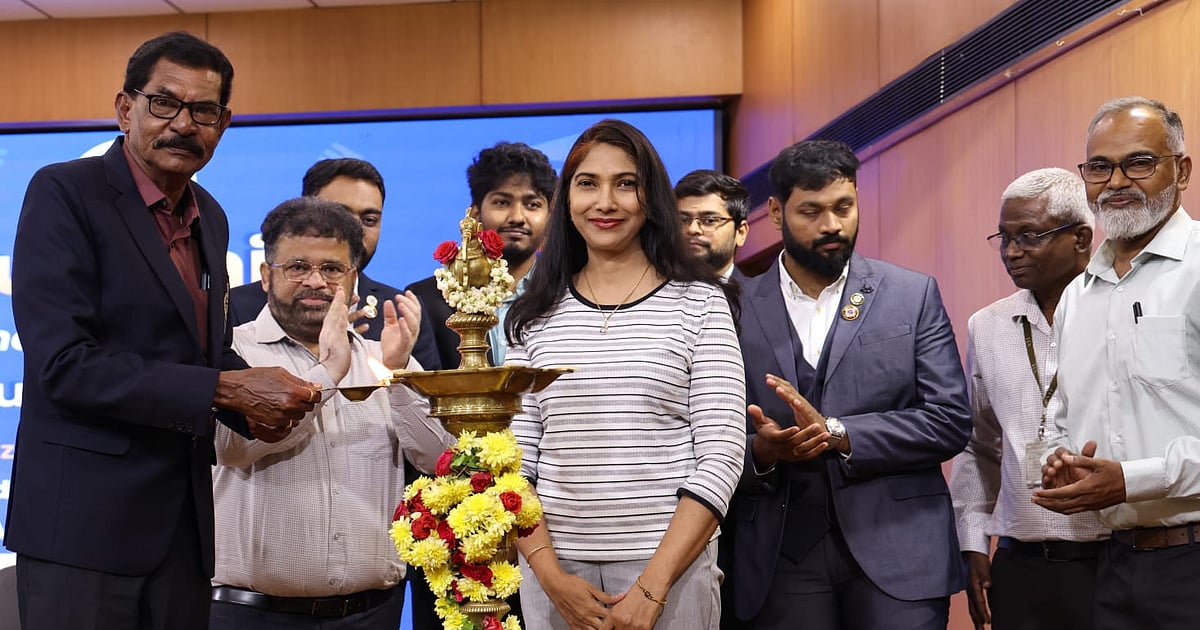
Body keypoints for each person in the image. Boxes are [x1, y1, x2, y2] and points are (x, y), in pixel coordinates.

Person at [6, 31, 318, 630]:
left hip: (183, 533)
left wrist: (274, 399)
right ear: (126, 108)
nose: (183, 124)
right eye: (164, 103)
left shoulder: (211, 215)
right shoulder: (64, 192)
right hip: (83, 531)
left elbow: (204, 354)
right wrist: (225, 390)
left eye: (203, 111)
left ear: (224, 124)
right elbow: (64, 364)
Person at [505, 119, 746, 630]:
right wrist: (550, 577)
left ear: (651, 197)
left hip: (672, 575)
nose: (605, 202)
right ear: (566, 199)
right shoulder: (531, 315)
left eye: (626, 183)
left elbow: (722, 454)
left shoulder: (701, 303)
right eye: (587, 183)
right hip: (557, 576)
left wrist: (652, 588)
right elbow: (514, 463)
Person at [730, 140, 971, 629]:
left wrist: (839, 433)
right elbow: (704, 433)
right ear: (774, 213)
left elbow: (950, 420)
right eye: (811, 211)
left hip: (900, 551)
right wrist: (762, 451)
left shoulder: (912, 295)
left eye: (843, 207)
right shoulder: (732, 307)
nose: (832, 225)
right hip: (779, 557)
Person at [210, 197, 451, 628]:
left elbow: (440, 462)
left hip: (372, 614)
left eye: (332, 269)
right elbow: (233, 448)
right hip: (251, 615)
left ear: (353, 279)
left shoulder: (384, 359)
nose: (316, 281)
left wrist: (398, 375)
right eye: (297, 267)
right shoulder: (232, 354)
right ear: (265, 276)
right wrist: (328, 373)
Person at [1034, 97, 1200, 630]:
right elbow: (1064, 420)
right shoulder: (1077, 297)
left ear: (1182, 171)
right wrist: (1063, 465)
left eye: (1140, 163)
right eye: (1100, 167)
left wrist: (1131, 480)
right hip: (1114, 564)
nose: (1117, 182)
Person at [948, 168, 1106, 630]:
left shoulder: (1119, 312)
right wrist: (974, 540)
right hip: (1020, 564)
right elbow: (978, 445)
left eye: (1029, 236)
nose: (1012, 251)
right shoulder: (987, 326)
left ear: (1081, 238)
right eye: (1005, 237)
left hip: (1111, 558)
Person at [228, 158, 442, 369]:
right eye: (299, 267)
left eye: (369, 220)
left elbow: (427, 391)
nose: (356, 231)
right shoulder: (234, 313)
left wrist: (395, 368)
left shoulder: (399, 313)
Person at [407, 141, 556, 369]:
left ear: (550, 216)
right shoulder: (427, 300)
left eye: (532, 204)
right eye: (502, 202)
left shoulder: (567, 291)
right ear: (475, 213)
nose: (517, 217)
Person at [675, 169, 750, 282]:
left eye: (709, 220)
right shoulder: (652, 290)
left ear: (740, 233)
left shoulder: (762, 293)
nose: (692, 229)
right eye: (683, 220)